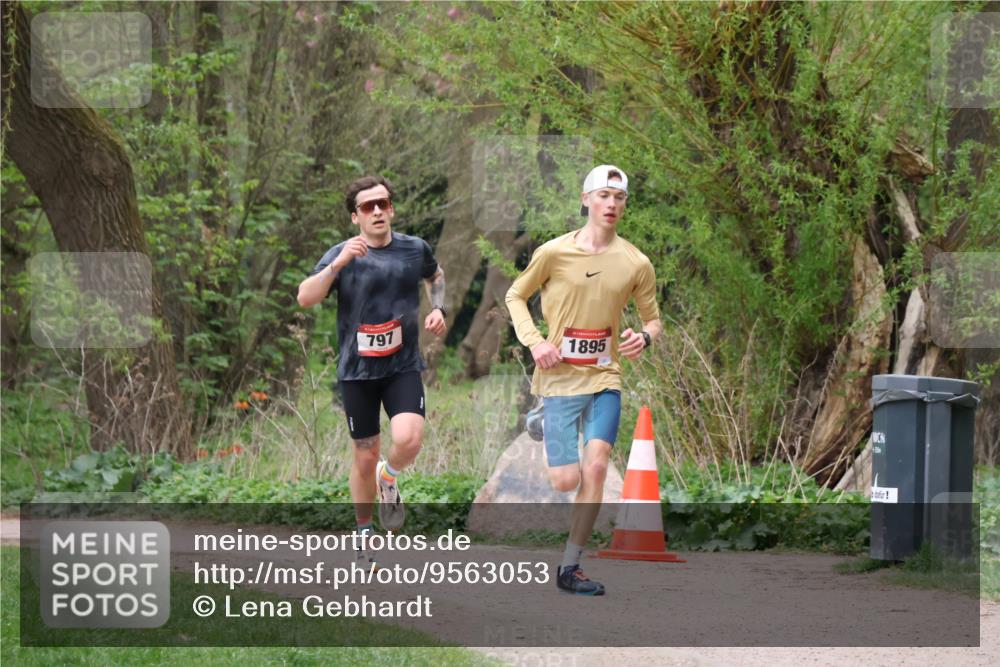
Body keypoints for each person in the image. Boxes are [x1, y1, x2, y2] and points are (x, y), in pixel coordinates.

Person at [505, 165, 661, 595]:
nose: (612, 204)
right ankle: (541, 416)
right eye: (604, 195)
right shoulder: (554, 252)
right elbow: (516, 295)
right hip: (558, 380)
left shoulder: (636, 262)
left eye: (619, 198)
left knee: (596, 465)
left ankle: (570, 567)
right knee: (566, 481)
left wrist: (645, 337)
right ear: (586, 199)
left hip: (604, 376)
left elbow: (653, 319)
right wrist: (535, 342)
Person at [298, 175, 446, 565]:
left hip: (402, 366)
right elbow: (305, 297)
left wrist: (439, 308)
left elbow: (435, 275)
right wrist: (338, 264)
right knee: (365, 456)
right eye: (368, 206)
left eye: (383, 204)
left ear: (391, 209)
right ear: (355, 216)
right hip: (357, 372)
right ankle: (364, 532)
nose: (377, 211)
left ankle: (389, 477)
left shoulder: (414, 249)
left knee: (409, 439)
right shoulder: (341, 254)